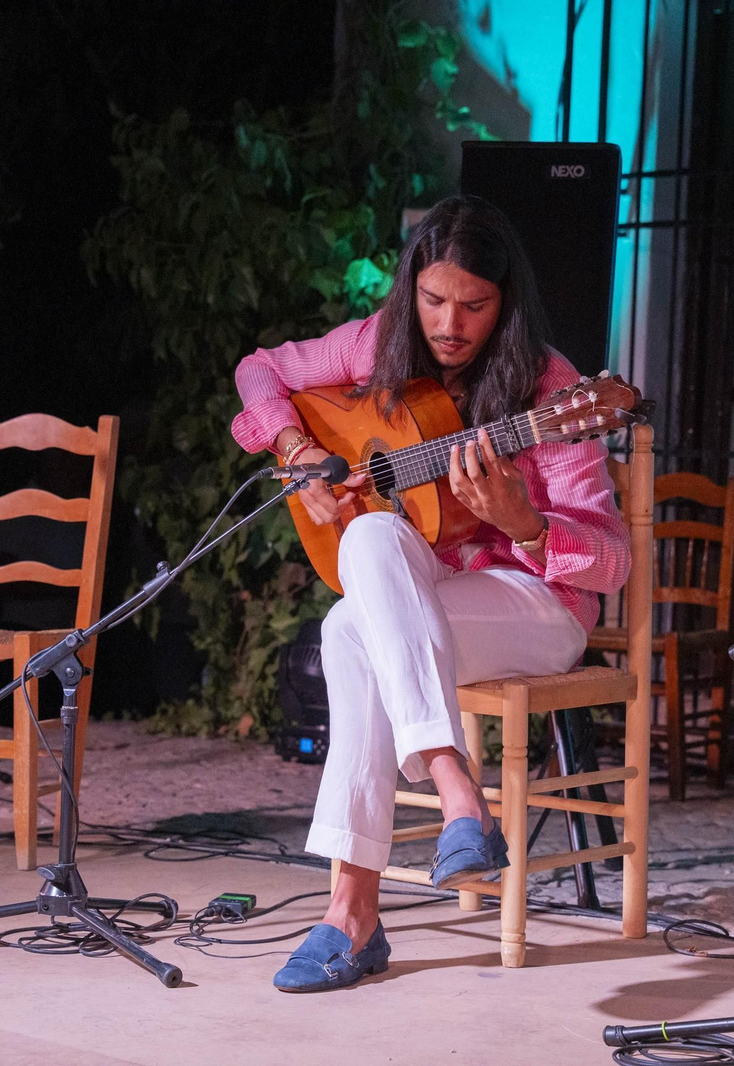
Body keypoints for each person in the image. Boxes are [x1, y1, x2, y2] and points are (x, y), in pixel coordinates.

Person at [230, 195, 630, 992]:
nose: (450, 323)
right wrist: (295, 446)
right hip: (430, 600)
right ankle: (452, 794)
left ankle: (354, 910)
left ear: (505, 304)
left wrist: (526, 525)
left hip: (537, 610)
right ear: (411, 290)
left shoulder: (555, 391)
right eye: (434, 300)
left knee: (353, 630)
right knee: (367, 554)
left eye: (474, 306)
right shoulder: (380, 345)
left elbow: (611, 563)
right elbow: (259, 369)